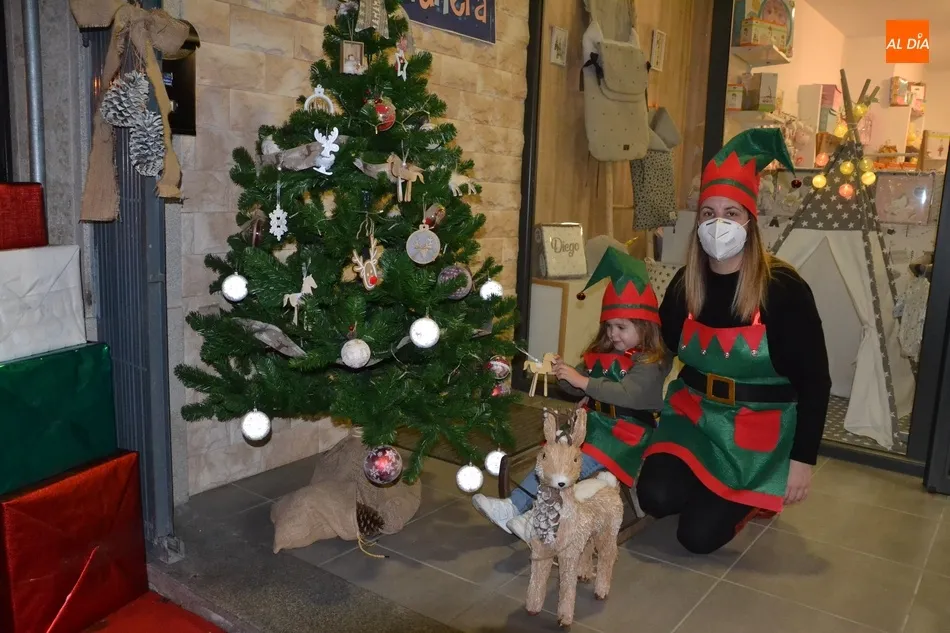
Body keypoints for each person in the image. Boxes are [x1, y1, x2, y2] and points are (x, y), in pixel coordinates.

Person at [637, 128, 832, 555]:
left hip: (754, 428)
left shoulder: (783, 289)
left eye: (731, 212)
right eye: (708, 213)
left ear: (750, 221)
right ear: (698, 223)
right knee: (655, 498)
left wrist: (802, 461)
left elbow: (816, 382)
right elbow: (661, 347)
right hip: (694, 416)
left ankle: (746, 498)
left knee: (697, 538)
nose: (718, 223)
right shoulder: (685, 285)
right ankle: (708, 486)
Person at [473, 248, 671, 542]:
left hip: (626, 435)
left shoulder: (650, 362)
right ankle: (514, 505)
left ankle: (539, 520)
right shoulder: (602, 353)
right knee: (553, 455)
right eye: (609, 327)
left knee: (572, 463)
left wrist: (584, 382)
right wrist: (564, 374)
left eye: (621, 327)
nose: (613, 334)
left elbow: (628, 394)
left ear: (645, 327)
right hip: (594, 425)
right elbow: (573, 387)